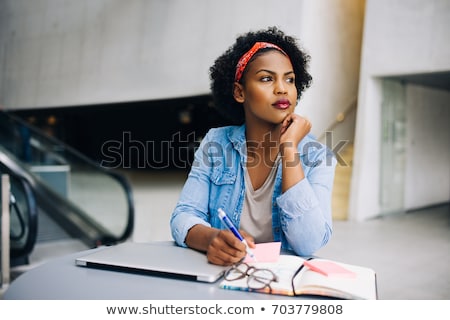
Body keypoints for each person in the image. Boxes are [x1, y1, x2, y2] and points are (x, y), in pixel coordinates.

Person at [170, 26, 336, 266]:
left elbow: (308, 243)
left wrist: (289, 148)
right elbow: (183, 216)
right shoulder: (216, 143)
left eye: (289, 79)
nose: (282, 88)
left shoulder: (319, 157)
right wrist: (211, 239)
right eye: (267, 78)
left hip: (281, 284)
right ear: (239, 92)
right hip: (223, 278)